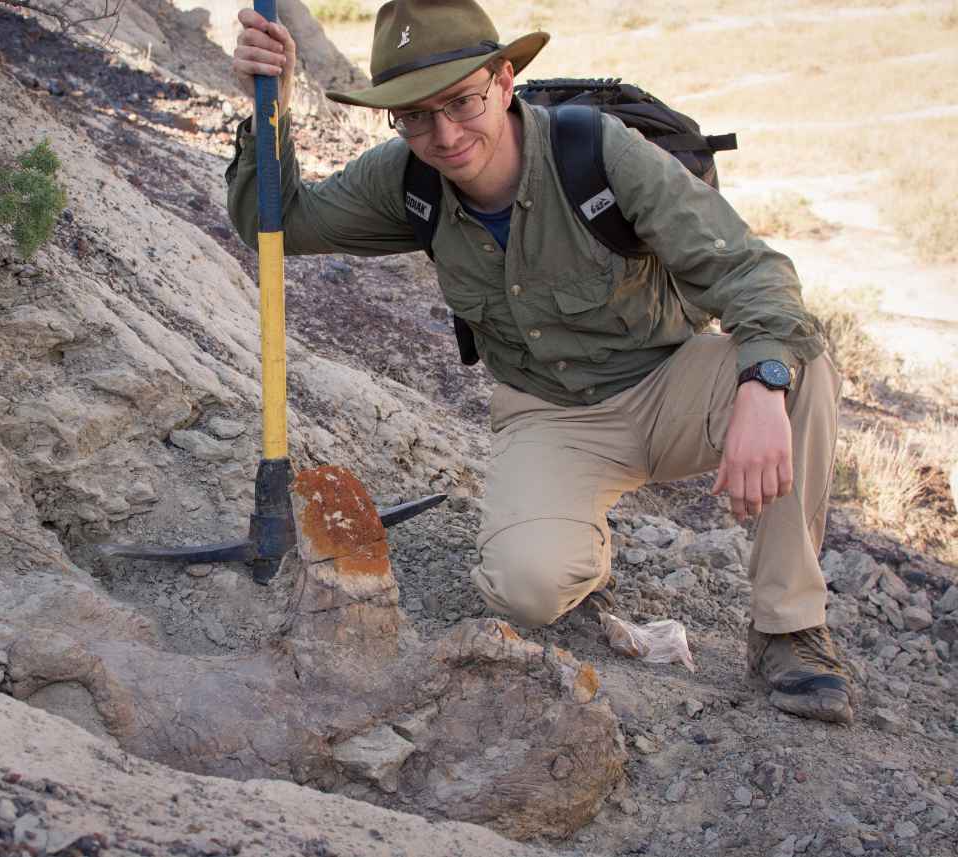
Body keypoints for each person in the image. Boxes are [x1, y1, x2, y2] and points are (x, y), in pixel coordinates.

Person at [226, 0, 853, 724]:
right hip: (550, 415)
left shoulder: (600, 154)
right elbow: (276, 221)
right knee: (524, 588)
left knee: (800, 366)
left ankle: (791, 629)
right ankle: (581, 558)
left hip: (671, 385)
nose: (445, 133)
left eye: (462, 101)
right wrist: (264, 110)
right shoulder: (408, 177)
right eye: (416, 116)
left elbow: (755, 273)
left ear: (503, 79)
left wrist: (763, 384)